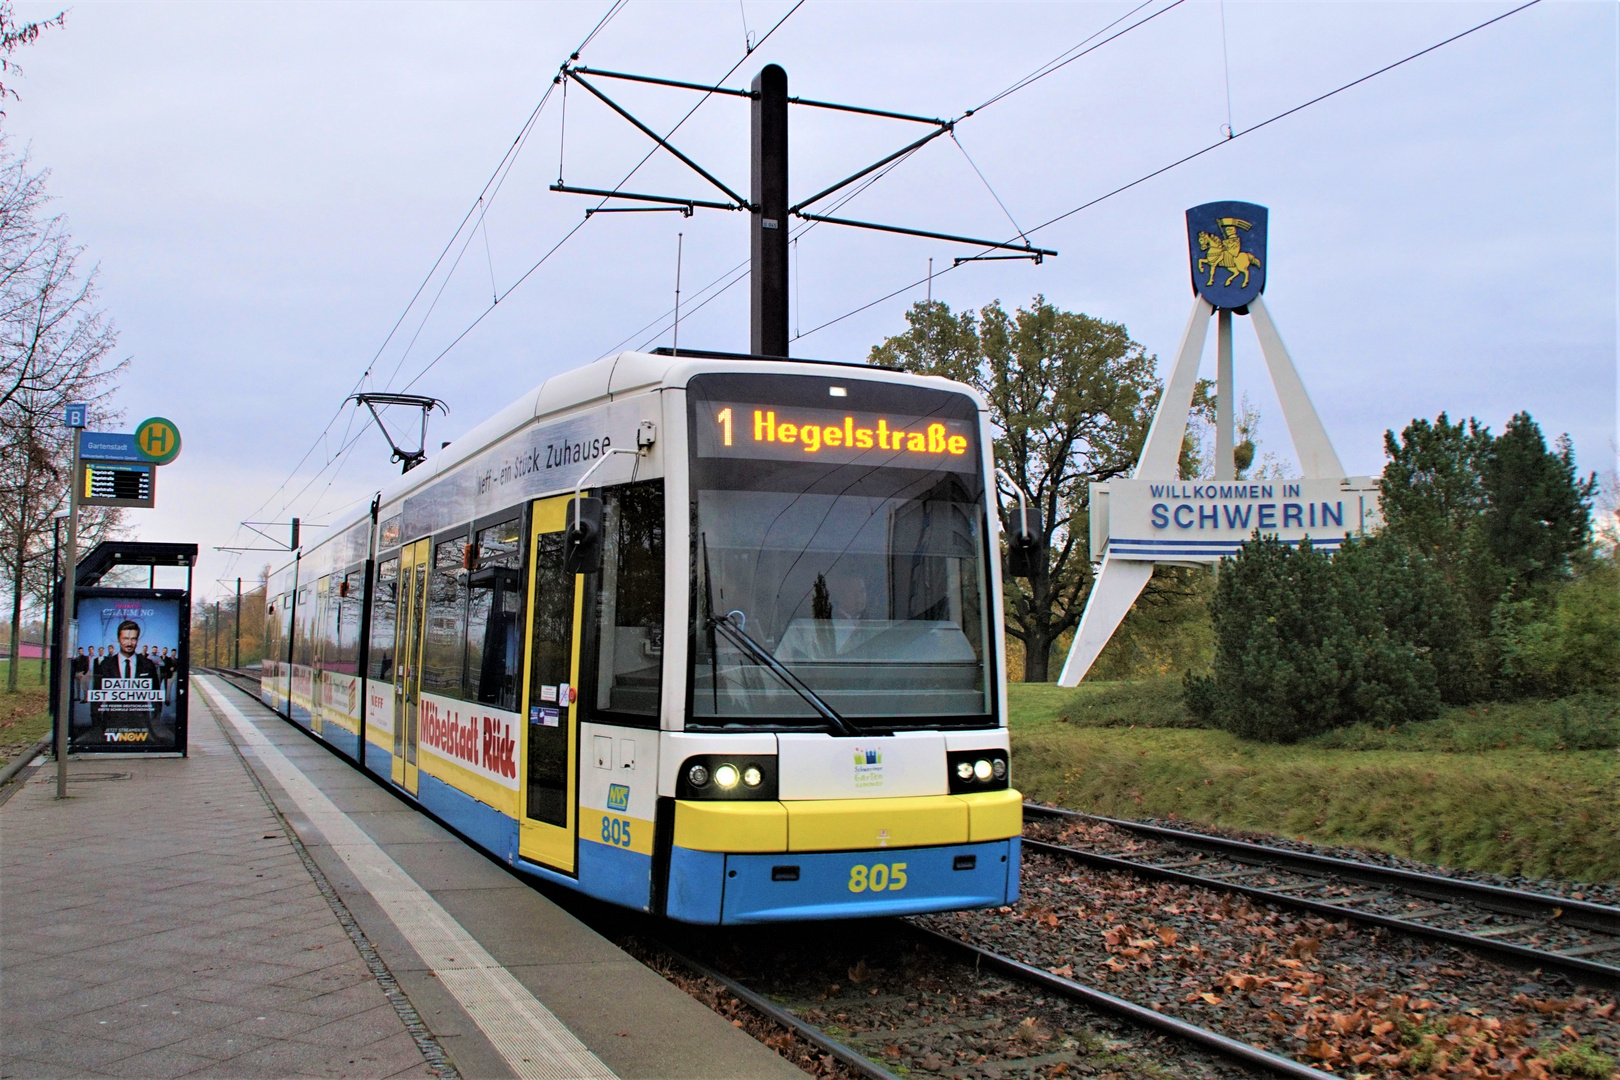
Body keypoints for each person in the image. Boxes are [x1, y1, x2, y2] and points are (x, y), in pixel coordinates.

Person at [91, 620, 162, 728]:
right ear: (118, 639)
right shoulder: (105, 664)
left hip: (142, 725)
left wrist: (155, 722)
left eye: (133, 639)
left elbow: (156, 696)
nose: (129, 643)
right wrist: (96, 723)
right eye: (125, 639)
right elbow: (96, 695)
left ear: (137, 640)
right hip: (111, 724)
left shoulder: (147, 665)